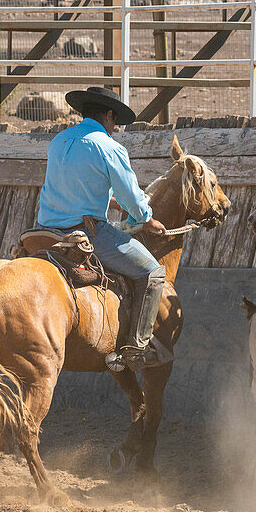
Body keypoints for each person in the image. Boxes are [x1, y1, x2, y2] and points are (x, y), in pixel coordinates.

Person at [36, 86, 167, 372]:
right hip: (86, 234)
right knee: (154, 273)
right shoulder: (109, 147)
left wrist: (107, 200)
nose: (116, 126)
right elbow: (132, 197)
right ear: (108, 115)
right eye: (115, 120)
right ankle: (137, 348)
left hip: (44, 232)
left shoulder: (58, 141)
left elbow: (73, 186)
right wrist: (147, 218)